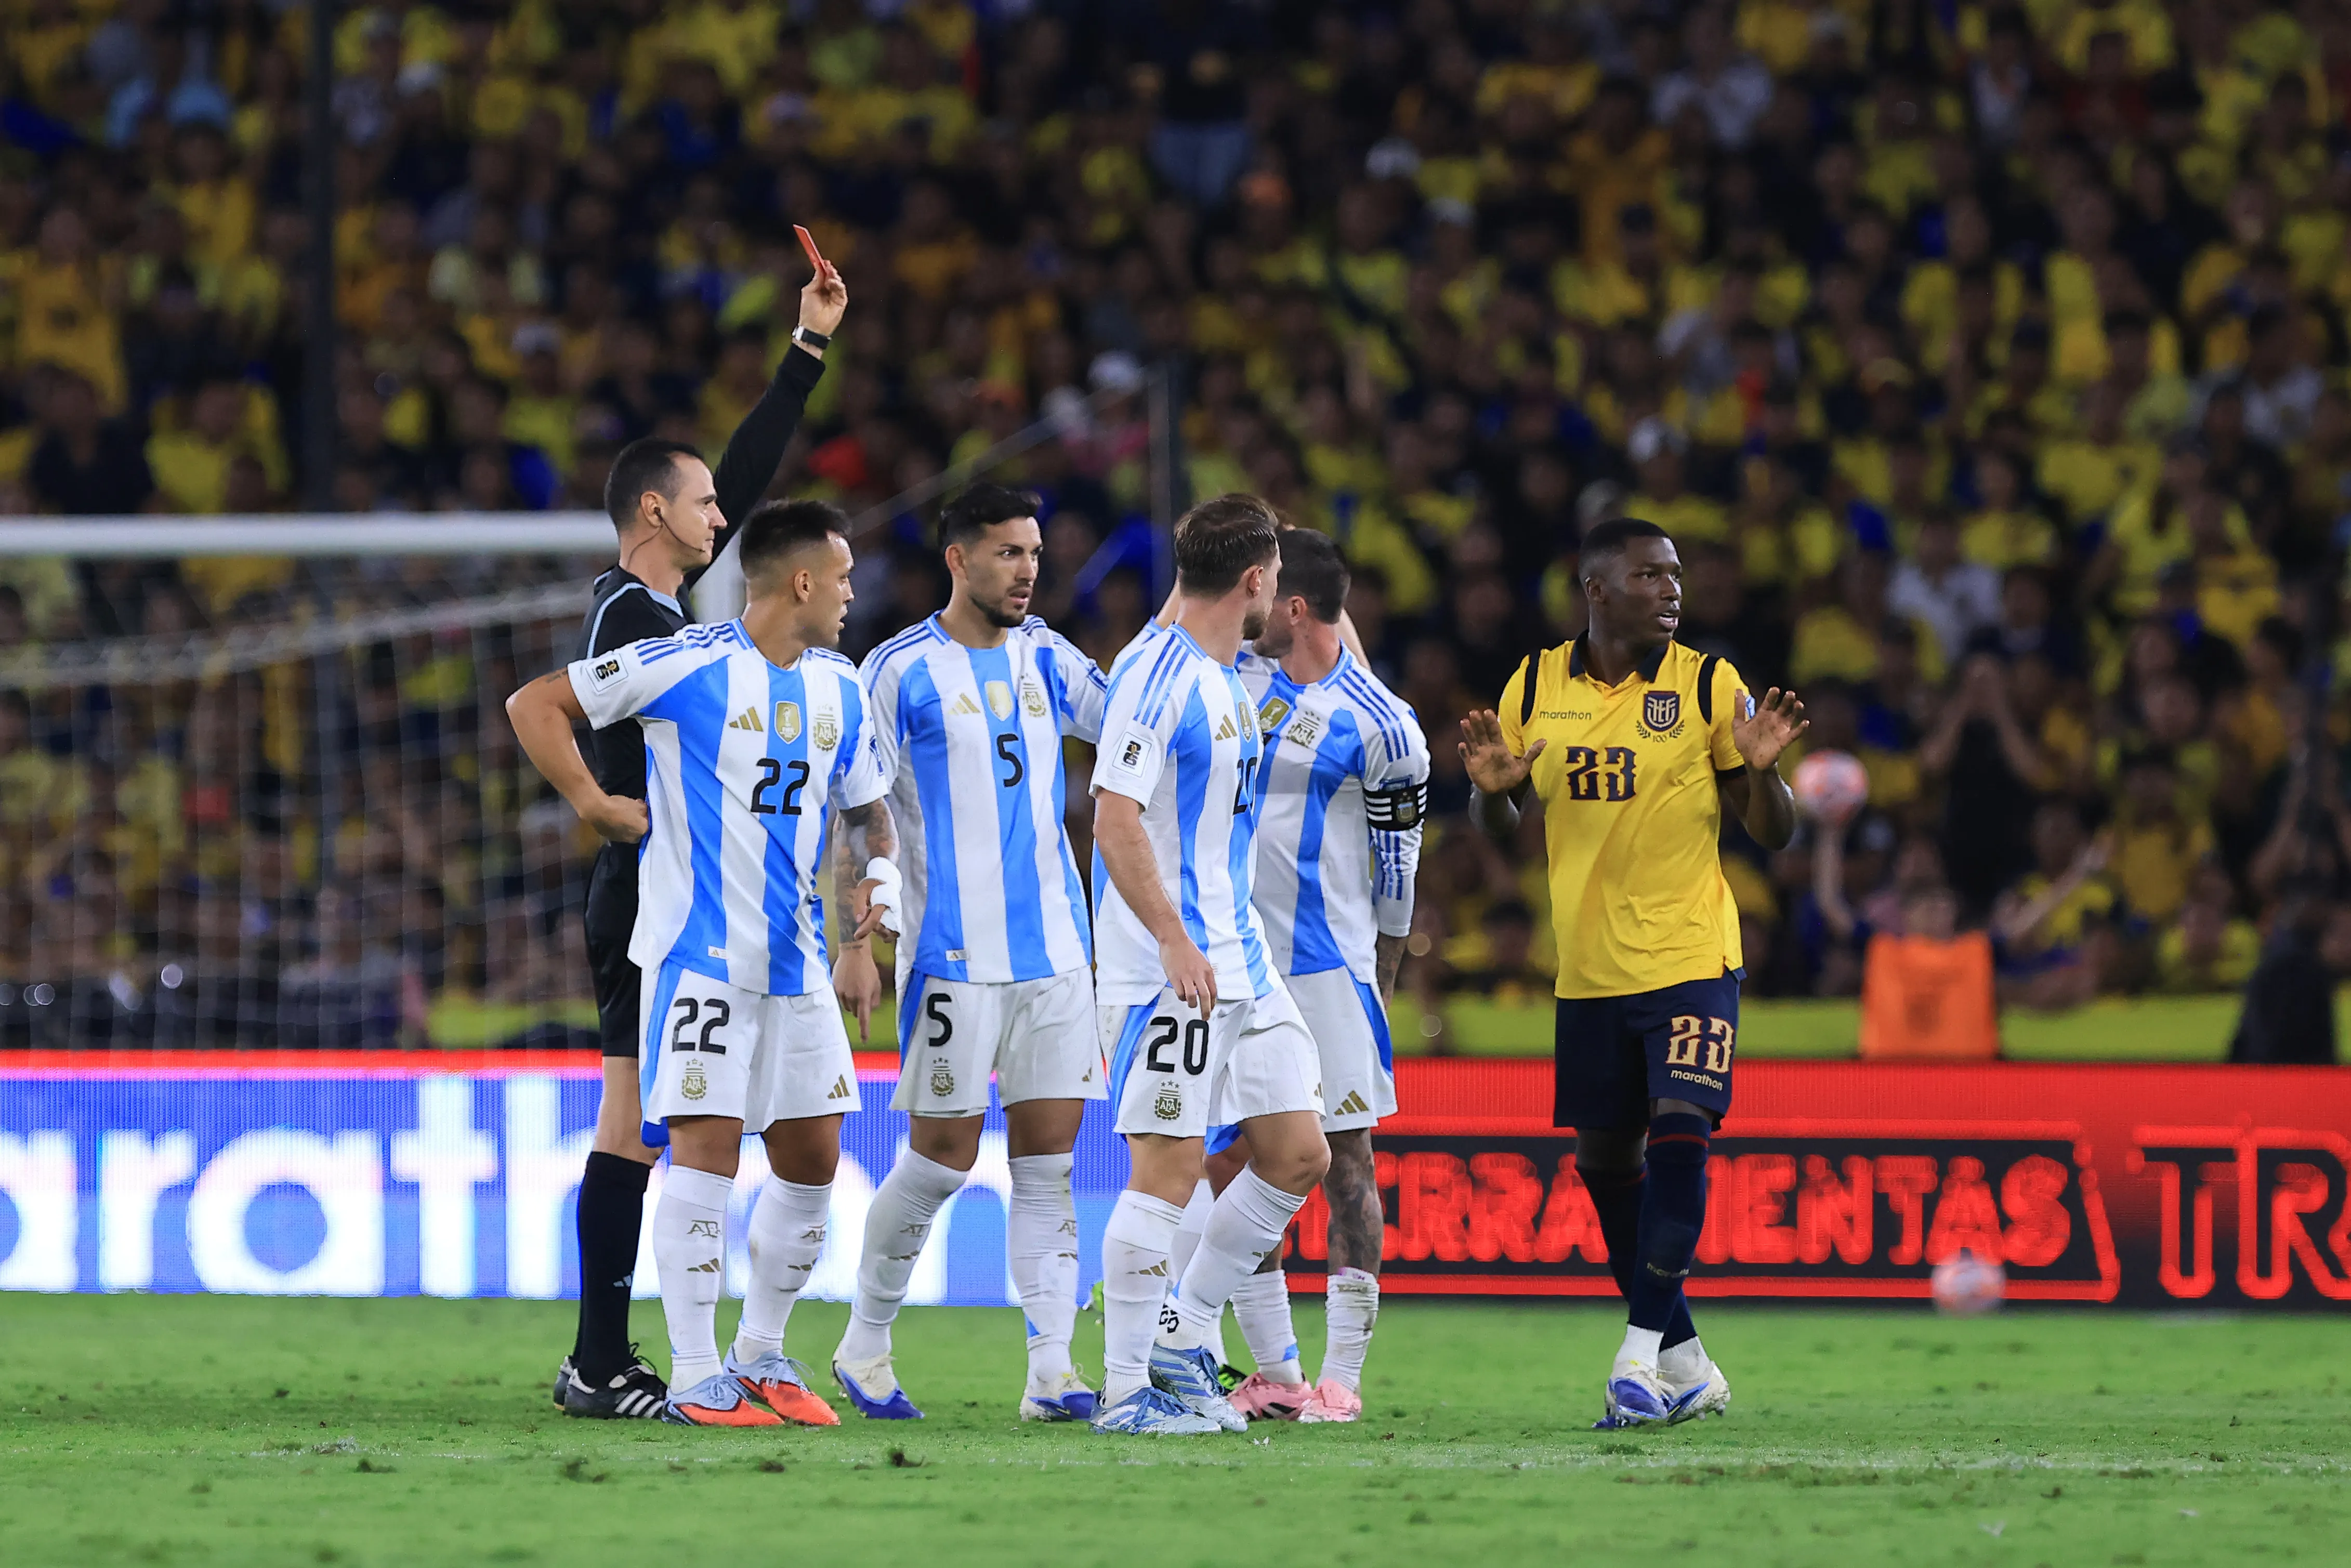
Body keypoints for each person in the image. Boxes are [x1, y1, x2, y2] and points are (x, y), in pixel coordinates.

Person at [505, 500, 899, 1428]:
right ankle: (692, 1375)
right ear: (801, 581)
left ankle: (760, 1353)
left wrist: (864, 915)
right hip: (699, 959)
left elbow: (866, 812)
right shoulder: (684, 660)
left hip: (798, 964)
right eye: (840, 578)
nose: (850, 594)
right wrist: (595, 804)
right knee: (704, 1152)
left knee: (812, 1156)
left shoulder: (841, 687)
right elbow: (537, 704)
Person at [550, 256, 845, 1420]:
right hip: (652, 892)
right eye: (703, 500)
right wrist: (590, 798)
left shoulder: (663, 612)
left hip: (657, 889)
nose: (724, 514)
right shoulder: (634, 615)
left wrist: (805, 352)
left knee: (630, 1119)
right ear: (652, 514)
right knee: (634, 1122)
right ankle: (602, 1355)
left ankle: (602, 1351)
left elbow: (752, 479)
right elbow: (545, 706)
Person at [1459, 517, 1805, 1428]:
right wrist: (1493, 796)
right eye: (1650, 575)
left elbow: (1769, 829)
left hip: (1691, 954)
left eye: (1676, 575)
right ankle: (1685, 1360)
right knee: (1606, 1160)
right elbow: (1496, 812)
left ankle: (1637, 1355)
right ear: (1598, 589)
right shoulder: (1534, 681)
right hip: (1588, 968)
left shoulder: (1705, 682)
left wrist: (1765, 775)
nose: (1672, 589)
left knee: (1683, 1128)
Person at [831, 483, 1111, 1424]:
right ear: (958, 560)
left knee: (1048, 1168)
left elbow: (1131, 733)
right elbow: (858, 807)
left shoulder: (1051, 659)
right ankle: (864, 1342)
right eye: (1006, 553)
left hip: (1057, 957)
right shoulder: (898, 668)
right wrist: (857, 935)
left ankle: (1052, 1372)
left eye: (1033, 552)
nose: (1027, 568)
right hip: (949, 957)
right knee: (943, 1161)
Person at [1088, 494, 1331, 1436]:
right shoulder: (1159, 676)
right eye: (1278, 575)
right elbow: (1113, 818)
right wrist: (1171, 938)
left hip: (1243, 961)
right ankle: (1123, 1394)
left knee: (1295, 1152)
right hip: (1172, 967)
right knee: (1169, 1166)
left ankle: (1183, 1333)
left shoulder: (1222, 667)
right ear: (1256, 580)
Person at [1186, 528, 1428, 1425]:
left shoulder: (1385, 724)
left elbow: (1398, 872)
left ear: (1293, 604)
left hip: (1329, 971)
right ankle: (1277, 1371)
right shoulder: (1233, 680)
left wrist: (1384, 977)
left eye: (1268, 584)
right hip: (1233, 963)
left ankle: (1343, 1380)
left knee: (1348, 1166)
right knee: (1231, 1161)